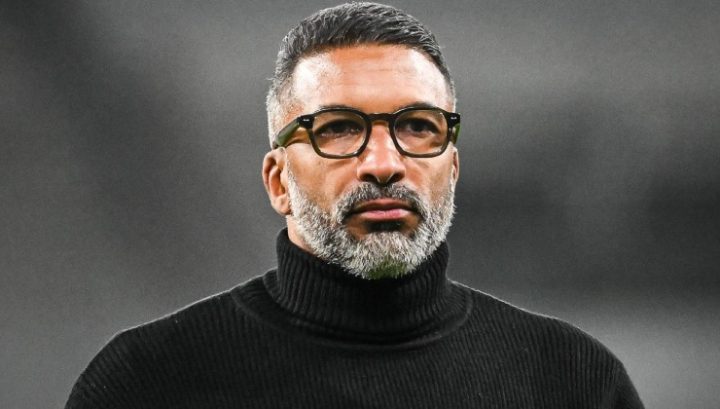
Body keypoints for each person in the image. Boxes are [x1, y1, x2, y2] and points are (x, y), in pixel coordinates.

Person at [66, 2, 644, 408]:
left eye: (418, 126)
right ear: (278, 181)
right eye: (339, 129)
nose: (383, 163)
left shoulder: (573, 381)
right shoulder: (146, 382)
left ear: (453, 168)